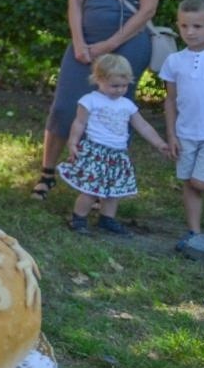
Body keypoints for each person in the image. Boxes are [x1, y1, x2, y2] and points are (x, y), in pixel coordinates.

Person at [33, 0, 162, 199]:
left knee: (115, 112)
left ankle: (103, 184)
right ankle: (47, 172)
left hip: (128, 42)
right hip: (86, 40)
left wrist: (109, 44)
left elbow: (148, 9)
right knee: (65, 106)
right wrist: (79, 40)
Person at [58, 53, 168, 234]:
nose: (119, 90)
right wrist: (72, 142)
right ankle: (78, 218)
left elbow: (142, 125)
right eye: (114, 85)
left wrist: (159, 143)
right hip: (96, 151)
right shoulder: (90, 100)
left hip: (117, 154)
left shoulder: (127, 104)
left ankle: (106, 219)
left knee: (114, 191)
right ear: (99, 79)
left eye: (124, 86)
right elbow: (79, 123)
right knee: (90, 189)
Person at [160, 0, 204, 253]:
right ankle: (194, 232)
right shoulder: (174, 61)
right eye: (184, 26)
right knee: (188, 182)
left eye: (197, 26)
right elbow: (170, 101)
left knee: (200, 181)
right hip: (185, 133)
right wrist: (171, 134)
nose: (190, 32)